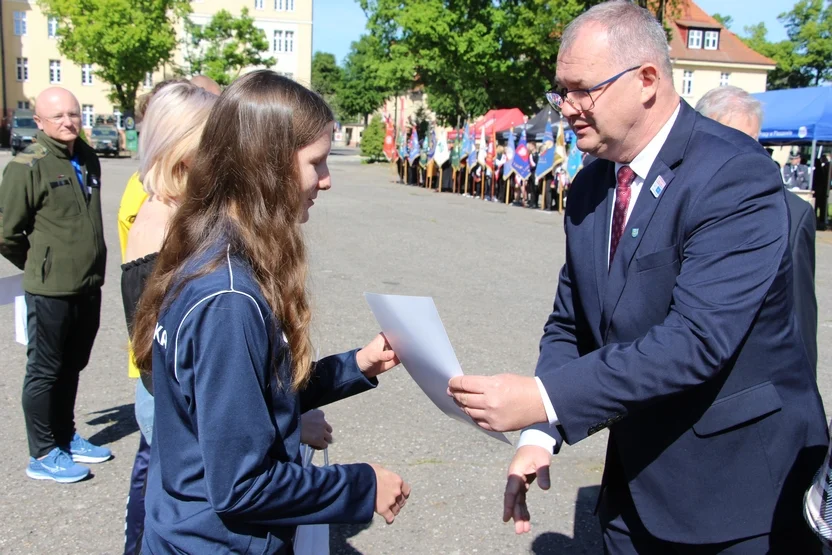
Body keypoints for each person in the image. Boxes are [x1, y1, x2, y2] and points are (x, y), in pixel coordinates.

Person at [448, 2, 827, 552]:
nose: (567, 109)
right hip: (632, 494)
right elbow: (572, 321)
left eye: (582, 90)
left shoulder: (733, 174)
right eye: (561, 92)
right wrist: (540, 433)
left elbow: (696, 341)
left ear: (647, 79)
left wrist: (544, 397)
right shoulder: (589, 186)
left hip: (737, 500)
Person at [131, 70, 410, 554]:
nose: (326, 181)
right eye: (316, 163)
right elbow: (242, 485)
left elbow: (252, 398)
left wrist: (356, 366)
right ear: (268, 165)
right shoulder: (230, 299)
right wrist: (362, 486)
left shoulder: (213, 255)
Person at [0, 86, 111, 483]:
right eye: (58, 117)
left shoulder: (86, 156)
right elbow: (6, 232)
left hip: (87, 285)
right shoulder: (27, 166)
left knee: (73, 365)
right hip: (49, 290)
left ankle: (65, 436)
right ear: (41, 122)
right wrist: (39, 265)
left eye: (74, 114)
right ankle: (43, 452)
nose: (68, 122)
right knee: (45, 369)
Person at [696, 85, 817, 377]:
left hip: (750, 389)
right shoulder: (667, 198)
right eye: (732, 140)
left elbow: (799, 322)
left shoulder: (793, 213)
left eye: (752, 141)